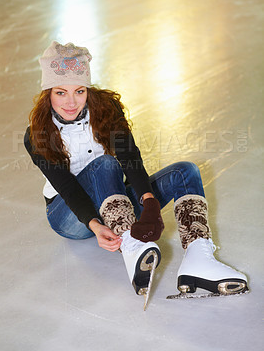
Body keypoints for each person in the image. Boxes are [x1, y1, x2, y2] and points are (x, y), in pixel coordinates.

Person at [24, 41, 248, 298]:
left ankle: (199, 259)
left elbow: (129, 156)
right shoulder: (37, 133)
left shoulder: (106, 110)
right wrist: (95, 226)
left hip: (111, 199)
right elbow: (66, 186)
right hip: (69, 216)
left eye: (80, 91)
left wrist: (149, 200)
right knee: (105, 164)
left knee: (185, 171)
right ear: (48, 92)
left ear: (88, 89)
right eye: (60, 93)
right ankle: (131, 244)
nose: (72, 102)